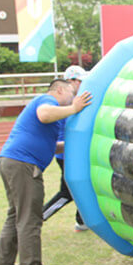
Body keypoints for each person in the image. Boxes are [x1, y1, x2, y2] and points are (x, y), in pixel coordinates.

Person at [0, 79, 92, 265]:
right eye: (70, 93)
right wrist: (74, 108)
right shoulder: (47, 101)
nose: (72, 98)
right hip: (23, 165)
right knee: (29, 217)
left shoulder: (49, 108)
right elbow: (44, 114)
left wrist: (72, 144)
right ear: (59, 90)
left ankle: (3, 261)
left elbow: (50, 145)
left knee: (16, 214)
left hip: (11, 161)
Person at [43, 66, 88, 231]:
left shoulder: (73, 101)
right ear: (71, 81)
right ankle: (41, 216)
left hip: (71, 153)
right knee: (67, 192)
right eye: (79, 81)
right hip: (66, 154)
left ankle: (82, 221)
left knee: (83, 185)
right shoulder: (65, 103)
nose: (82, 84)